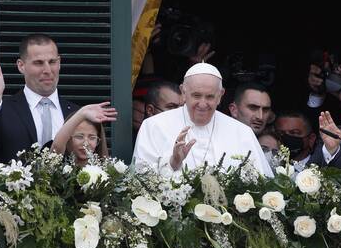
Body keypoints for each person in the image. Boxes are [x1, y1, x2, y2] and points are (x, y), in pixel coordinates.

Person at [132, 62, 273, 177]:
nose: (203, 104)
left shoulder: (242, 132)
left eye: (210, 96)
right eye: (197, 96)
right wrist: (173, 163)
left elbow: (262, 182)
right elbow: (141, 179)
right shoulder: (153, 126)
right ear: (183, 92)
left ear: (220, 95)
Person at [0, 34, 81, 165]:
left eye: (52, 62)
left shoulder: (76, 113)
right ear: (21, 66)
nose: (47, 70)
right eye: (38, 63)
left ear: (59, 63)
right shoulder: (3, 110)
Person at [51, 104, 117, 166]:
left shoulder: (107, 171)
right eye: (79, 137)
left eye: (92, 137)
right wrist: (82, 113)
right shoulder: (57, 168)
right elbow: (56, 148)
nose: (85, 143)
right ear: (67, 138)